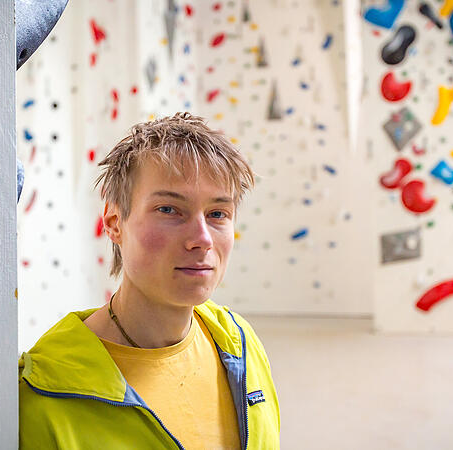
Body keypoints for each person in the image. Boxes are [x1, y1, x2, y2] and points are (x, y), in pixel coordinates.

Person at [18, 112, 280, 449]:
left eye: (217, 214)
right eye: (169, 210)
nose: (202, 238)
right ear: (114, 223)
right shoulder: (44, 394)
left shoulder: (241, 343)